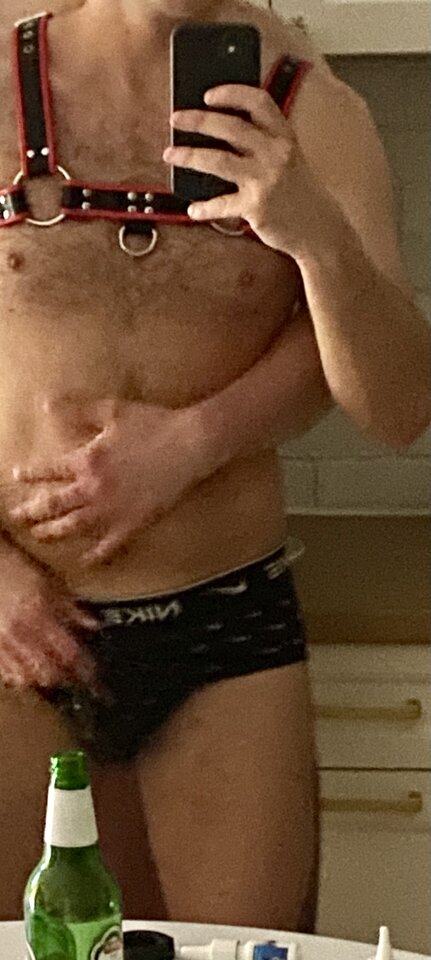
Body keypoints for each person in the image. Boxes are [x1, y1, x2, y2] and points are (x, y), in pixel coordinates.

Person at [0, 0, 429, 929]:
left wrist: (312, 233)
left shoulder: (316, 111)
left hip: (222, 633)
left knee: (245, 952)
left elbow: (398, 409)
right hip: (17, 630)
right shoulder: (0, 78)